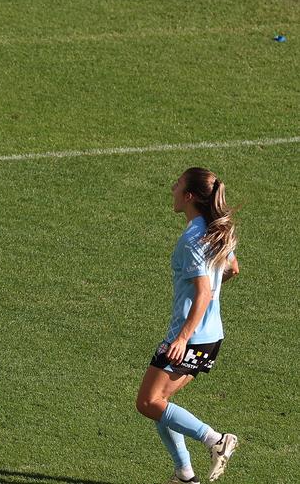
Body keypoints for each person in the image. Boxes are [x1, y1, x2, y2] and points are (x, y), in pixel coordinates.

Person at [135, 168, 240, 483]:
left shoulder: (193, 238)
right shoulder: (216, 231)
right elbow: (232, 269)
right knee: (160, 404)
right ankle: (184, 474)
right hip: (211, 337)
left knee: (147, 402)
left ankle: (215, 440)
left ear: (190, 196)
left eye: (178, 184)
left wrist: (181, 337)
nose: (173, 188)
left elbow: (204, 292)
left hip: (190, 337)